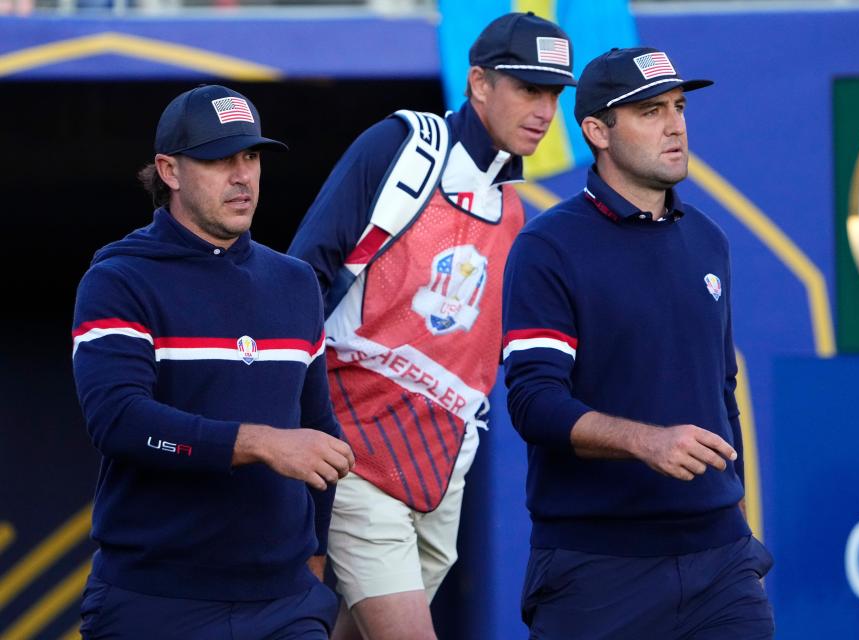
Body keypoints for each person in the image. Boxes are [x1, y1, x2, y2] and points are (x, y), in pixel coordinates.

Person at [287, 12, 576, 640]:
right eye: (529, 89)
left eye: (554, 94)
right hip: (354, 446)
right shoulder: (401, 145)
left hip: (441, 467)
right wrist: (300, 423)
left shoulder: (514, 211)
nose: (545, 109)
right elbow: (301, 274)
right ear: (477, 83)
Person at [501, 47, 775, 639]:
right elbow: (534, 403)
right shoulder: (548, 245)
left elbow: (720, 391)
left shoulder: (709, 240)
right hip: (598, 569)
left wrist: (738, 515)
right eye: (650, 111)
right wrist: (644, 442)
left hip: (720, 562)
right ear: (597, 131)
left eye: (678, 107)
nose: (675, 124)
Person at [71, 84, 355, 639]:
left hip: (285, 602)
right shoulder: (119, 278)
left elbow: (316, 429)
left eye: (250, 157)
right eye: (219, 159)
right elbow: (119, 421)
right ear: (168, 171)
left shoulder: (294, 282)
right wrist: (258, 443)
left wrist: (314, 557)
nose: (242, 176)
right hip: (157, 599)